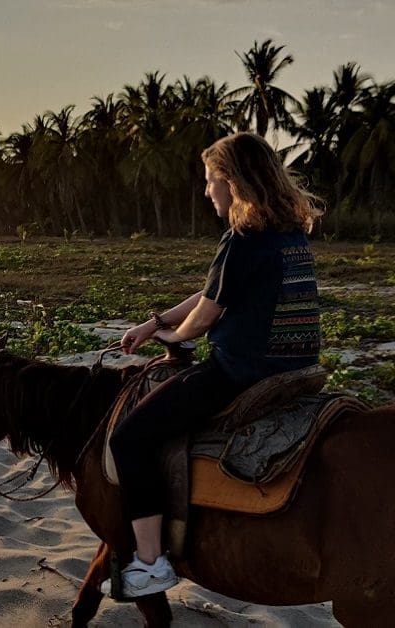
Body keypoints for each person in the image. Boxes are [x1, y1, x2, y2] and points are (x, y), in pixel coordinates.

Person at [103, 132, 322, 599]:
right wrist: (156, 322)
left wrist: (173, 337)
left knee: (129, 439)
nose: (206, 192)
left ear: (232, 181)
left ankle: (150, 564)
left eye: (209, 181)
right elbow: (211, 293)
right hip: (297, 367)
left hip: (242, 372)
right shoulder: (288, 234)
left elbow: (205, 317)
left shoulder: (242, 239)